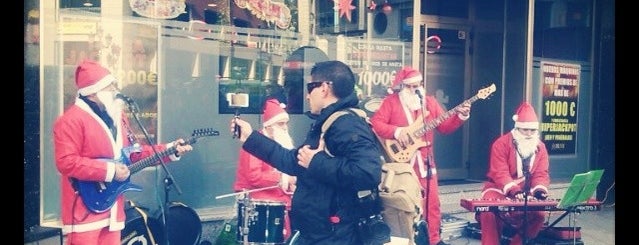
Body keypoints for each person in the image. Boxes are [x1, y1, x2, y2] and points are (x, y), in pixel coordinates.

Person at [230, 60, 385, 244]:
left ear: (325, 88)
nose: (307, 96)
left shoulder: (346, 124)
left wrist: (317, 162)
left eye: (310, 87)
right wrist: (250, 137)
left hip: (335, 234)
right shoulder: (329, 123)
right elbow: (293, 161)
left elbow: (368, 173)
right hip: (319, 231)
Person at [53, 60, 193, 245]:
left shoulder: (119, 118)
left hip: (113, 207)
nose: (115, 90)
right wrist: (110, 171)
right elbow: (66, 161)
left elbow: (134, 153)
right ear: (94, 92)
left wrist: (170, 149)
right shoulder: (70, 120)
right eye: (109, 86)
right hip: (84, 208)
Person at [370, 66, 471, 245]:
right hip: (403, 166)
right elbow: (376, 123)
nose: (416, 89)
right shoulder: (391, 102)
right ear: (402, 87)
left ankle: (433, 239)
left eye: (419, 85)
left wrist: (460, 116)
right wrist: (397, 132)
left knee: (432, 204)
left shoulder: (429, 102)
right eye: (411, 86)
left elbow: (445, 126)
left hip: (426, 162)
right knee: (406, 204)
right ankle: (409, 239)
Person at [478, 101, 550, 245]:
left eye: (532, 130)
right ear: (516, 129)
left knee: (539, 214)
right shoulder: (501, 143)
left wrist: (539, 190)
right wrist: (514, 191)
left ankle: (517, 243)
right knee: (489, 212)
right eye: (525, 130)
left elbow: (541, 173)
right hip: (497, 188)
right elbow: (500, 173)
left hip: (525, 192)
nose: (529, 134)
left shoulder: (541, 147)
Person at [233, 98, 297, 241]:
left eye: (286, 123)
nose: (285, 127)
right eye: (281, 124)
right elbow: (254, 177)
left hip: (280, 200)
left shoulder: (279, 141)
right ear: (269, 126)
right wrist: (285, 179)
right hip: (259, 202)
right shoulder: (255, 143)